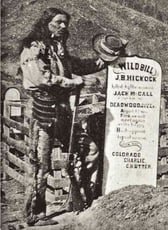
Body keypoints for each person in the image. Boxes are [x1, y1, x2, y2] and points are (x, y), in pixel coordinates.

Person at [19, 8, 125, 226]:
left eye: (65, 23)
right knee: (41, 162)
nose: (63, 27)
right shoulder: (33, 48)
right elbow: (41, 78)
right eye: (58, 22)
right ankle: (34, 214)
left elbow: (77, 65)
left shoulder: (58, 50)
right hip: (43, 110)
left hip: (62, 110)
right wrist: (73, 83)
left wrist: (104, 60)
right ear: (46, 23)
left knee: (87, 150)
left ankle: (78, 199)